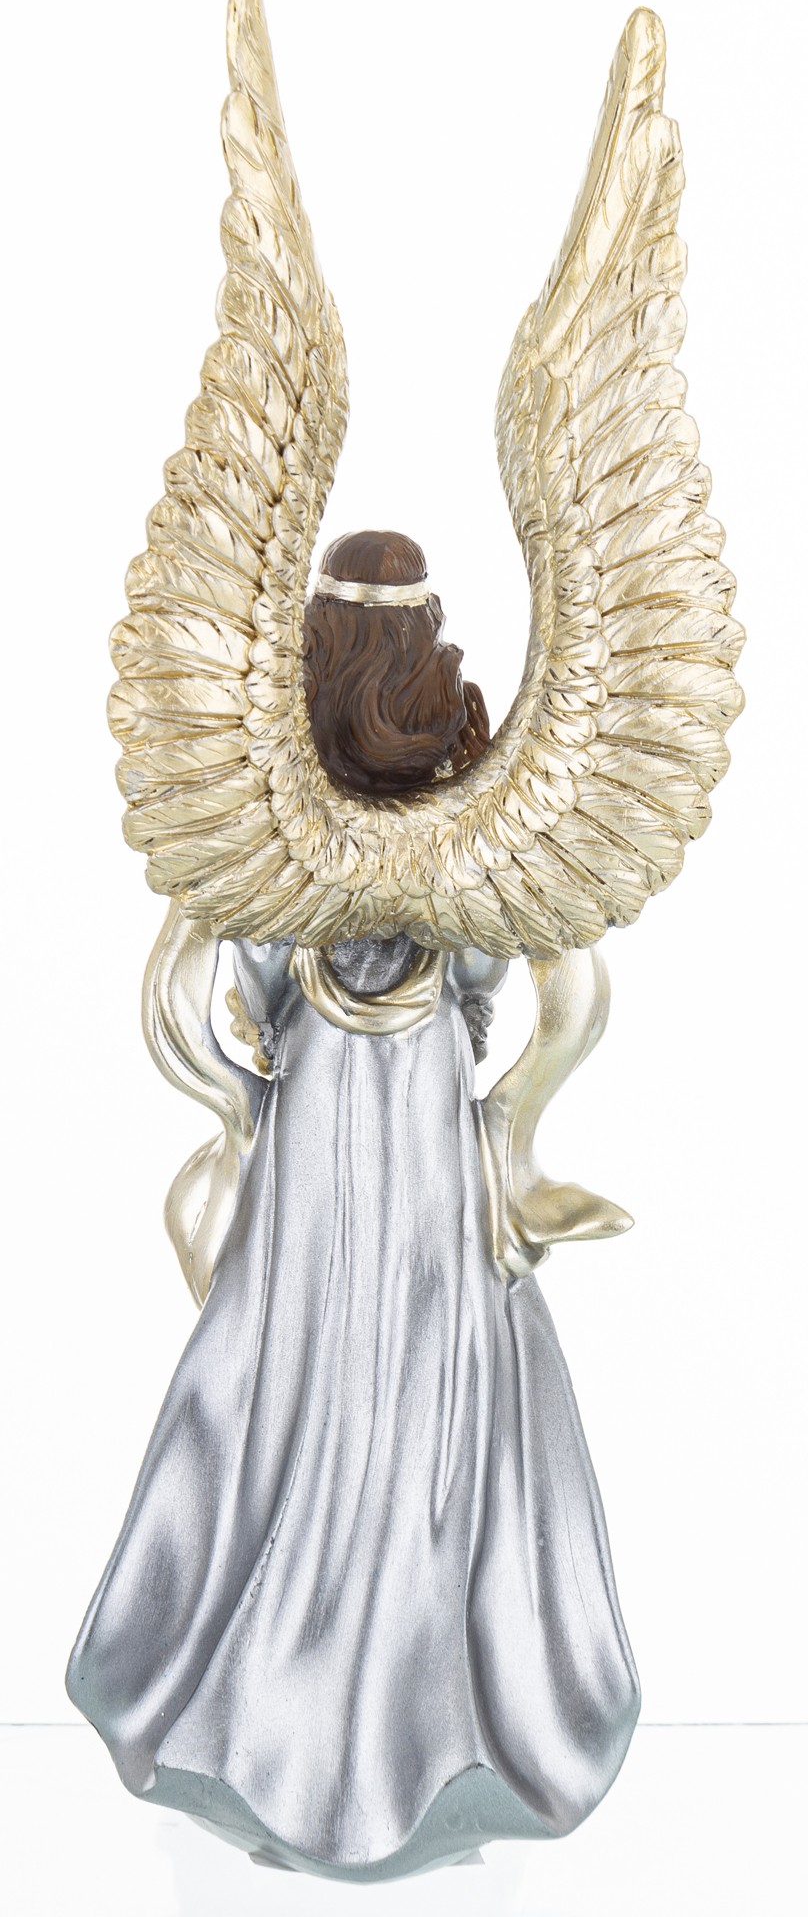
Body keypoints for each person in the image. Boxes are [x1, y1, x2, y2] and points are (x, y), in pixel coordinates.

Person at [67, 530, 639, 1880]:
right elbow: (576, 995)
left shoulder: (263, 831)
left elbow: (169, 1006)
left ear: (310, 655)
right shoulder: (482, 836)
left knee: (293, 1398)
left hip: (313, 1144)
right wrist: (512, 1127)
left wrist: (236, 1105)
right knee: (426, 1408)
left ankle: (265, 1721)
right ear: (433, 656)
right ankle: (424, 1735)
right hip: (429, 1143)